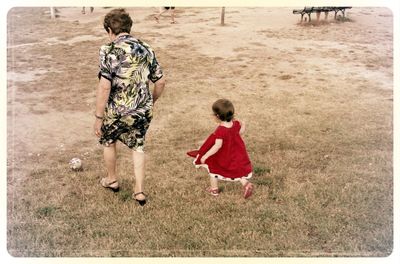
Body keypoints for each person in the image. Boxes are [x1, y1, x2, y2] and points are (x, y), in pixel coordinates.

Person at [94, 8, 166, 206]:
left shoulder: (108, 51)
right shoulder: (146, 48)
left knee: (109, 141)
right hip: (142, 110)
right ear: (128, 27)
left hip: (116, 110)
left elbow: (105, 85)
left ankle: (112, 179)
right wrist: (151, 101)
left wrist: (98, 117)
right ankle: (139, 191)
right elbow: (160, 82)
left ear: (109, 30)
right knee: (138, 147)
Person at [187, 99, 254, 198]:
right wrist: (243, 125)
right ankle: (246, 184)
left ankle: (214, 190)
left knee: (213, 170)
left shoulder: (221, 130)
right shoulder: (235, 124)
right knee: (236, 170)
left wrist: (206, 155)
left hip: (224, 154)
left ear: (217, 116)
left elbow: (217, 146)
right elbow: (240, 132)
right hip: (235, 152)